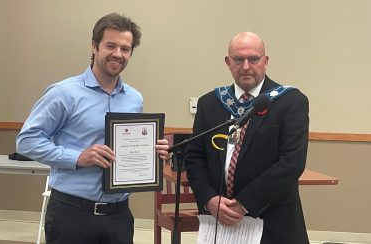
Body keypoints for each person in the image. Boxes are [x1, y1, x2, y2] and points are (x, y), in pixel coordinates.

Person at [16, 13, 169, 244]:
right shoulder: (63, 93)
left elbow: (128, 148)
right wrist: (79, 157)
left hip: (119, 216)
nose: (118, 54)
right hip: (71, 215)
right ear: (94, 46)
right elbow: (26, 141)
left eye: (125, 49)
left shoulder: (134, 99)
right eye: (110, 45)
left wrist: (154, 151)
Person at [184, 31, 310, 243]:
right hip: (219, 221)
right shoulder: (210, 103)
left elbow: (292, 162)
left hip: (274, 221)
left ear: (265, 61)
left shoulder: (290, 102)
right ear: (227, 62)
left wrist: (243, 203)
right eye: (238, 59)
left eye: (253, 59)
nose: (245, 66)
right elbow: (195, 157)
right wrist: (209, 199)